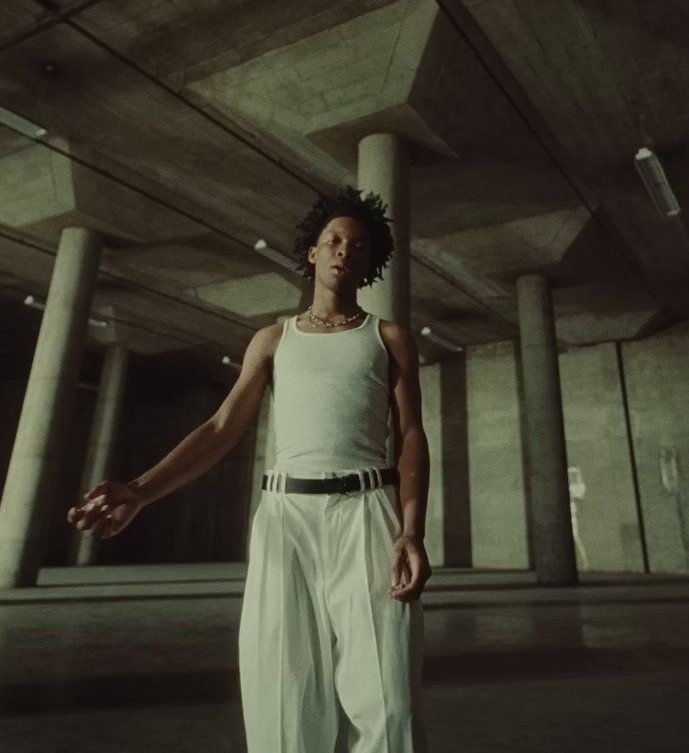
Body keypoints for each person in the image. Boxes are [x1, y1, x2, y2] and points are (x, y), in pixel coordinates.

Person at [68, 185, 431, 753]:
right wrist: (139, 490)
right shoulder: (272, 339)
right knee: (281, 691)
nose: (343, 251)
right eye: (333, 240)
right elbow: (220, 429)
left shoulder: (388, 338)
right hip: (286, 518)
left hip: (367, 514)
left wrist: (411, 530)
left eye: (357, 246)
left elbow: (410, 436)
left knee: (387, 694)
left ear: (369, 262)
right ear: (312, 253)